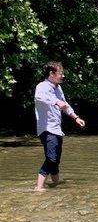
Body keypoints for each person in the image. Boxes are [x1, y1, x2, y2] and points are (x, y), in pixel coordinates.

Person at [34, 61, 85, 191]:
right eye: (60, 73)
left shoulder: (58, 88)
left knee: (55, 160)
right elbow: (39, 97)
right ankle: (38, 188)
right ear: (52, 74)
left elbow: (65, 104)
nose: (63, 76)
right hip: (46, 129)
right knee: (51, 158)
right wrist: (56, 101)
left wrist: (76, 117)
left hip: (57, 129)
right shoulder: (42, 86)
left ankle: (56, 186)